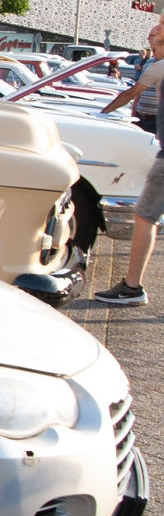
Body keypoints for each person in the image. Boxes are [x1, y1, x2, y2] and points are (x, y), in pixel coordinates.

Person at [94, 17, 164, 304]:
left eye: (158, 29)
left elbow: (128, 94)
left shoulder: (159, 66)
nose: (151, 34)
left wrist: (100, 116)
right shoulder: (156, 64)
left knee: (144, 216)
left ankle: (132, 287)